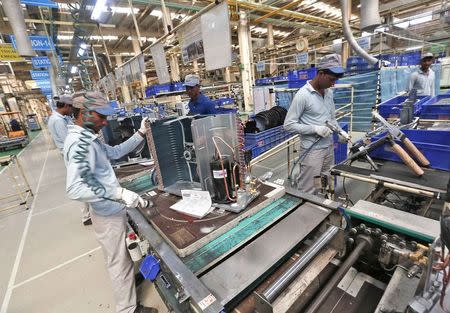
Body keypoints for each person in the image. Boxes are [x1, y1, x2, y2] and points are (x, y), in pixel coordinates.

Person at [63, 91, 157, 313]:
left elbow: (114, 153)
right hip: (107, 213)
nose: (105, 122)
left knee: (122, 258)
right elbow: (75, 188)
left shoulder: (88, 136)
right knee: (118, 263)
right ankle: (128, 309)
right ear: (84, 113)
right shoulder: (79, 144)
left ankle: (127, 286)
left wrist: (140, 133)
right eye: (100, 116)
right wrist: (119, 193)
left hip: (111, 208)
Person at [284, 54, 346, 194]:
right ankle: (307, 212)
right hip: (312, 151)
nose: (333, 84)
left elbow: (331, 118)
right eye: (331, 79)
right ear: (321, 74)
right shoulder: (303, 95)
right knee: (309, 187)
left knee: (326, 179)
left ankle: (323, 203)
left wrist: (340, 131)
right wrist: (314, 129)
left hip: (328, 147)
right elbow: (288, 125)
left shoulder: (328, 92)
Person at [48, 94, 92, 226]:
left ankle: (88, 213)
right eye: (71, 108)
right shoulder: (58, 121)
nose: (72, 111)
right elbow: (69, 139)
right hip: (72, 154)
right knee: (82, 182)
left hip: (70, 153)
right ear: (66, 106)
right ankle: (86, 216)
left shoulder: (60, 118)